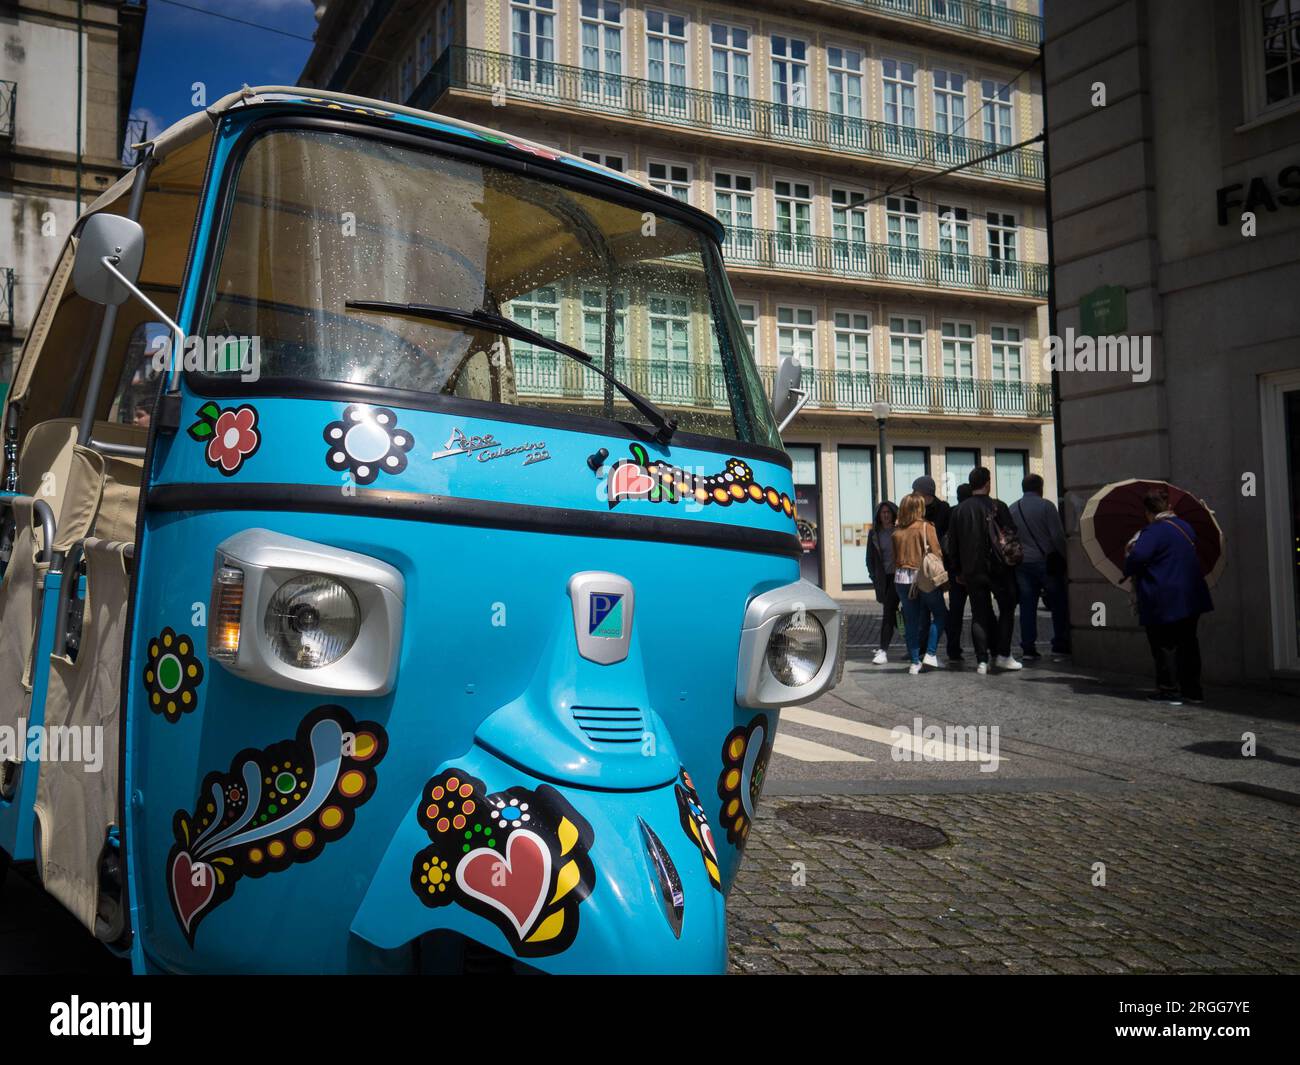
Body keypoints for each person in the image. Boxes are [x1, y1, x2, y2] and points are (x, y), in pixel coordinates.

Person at [1123, 486, 1213, 706]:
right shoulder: (1185, 527)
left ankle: (1169, 690)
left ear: (1147, 511)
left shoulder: (1153, 531)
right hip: (1190, 595)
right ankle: (1192, 690)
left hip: (1163, 596)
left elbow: (1137, 558)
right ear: (1169, 506)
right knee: (1188, 642)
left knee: (1165, 644)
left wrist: (1130, 553)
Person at [949, 466, 1022, 674]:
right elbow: (1011, 535)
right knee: (1007, 609)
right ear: (988, 483)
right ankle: (1003, 654)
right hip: (999, 569)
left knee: (979, 614)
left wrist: (957, 570)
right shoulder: (999, 506)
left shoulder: (960, 510)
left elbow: (951, 544)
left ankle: (981, 660)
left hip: (972, 571)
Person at [1010, 473, 1070, 660]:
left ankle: (1028, 647)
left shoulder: (1014, 508)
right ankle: (1059, 643)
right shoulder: (1046, 506)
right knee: (1058, 604)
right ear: (1040, 487)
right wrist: (1065, 557)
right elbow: (1058, 536)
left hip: (1022, 564)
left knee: (1027, 607)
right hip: (1046, 563)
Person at [892, 492, 948, 675]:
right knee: (941, 614)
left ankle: (914, 662)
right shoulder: (926, 527)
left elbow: (894, 559)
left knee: (911, 621)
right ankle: (930, 653)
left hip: (901, 578)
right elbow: (937, 552)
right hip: (923, 577)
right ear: (919, 508)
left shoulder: (897, 532)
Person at [911, 475, 950, 656]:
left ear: (926, 493)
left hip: (935, 567)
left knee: (939, 613)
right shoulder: (914, 511)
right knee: (924, 614)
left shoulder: (943, 510)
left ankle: (931, 652)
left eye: (916, 491)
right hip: (919, 569)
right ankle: (923, 651)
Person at [865, 500, 900, 664]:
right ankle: (908, 645)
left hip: (900, 577)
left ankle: (884, 650)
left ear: (893, 514)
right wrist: (874, 577)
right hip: (883, 579)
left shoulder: (900, 531)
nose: (885, 515)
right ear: (879, 515)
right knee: (892, 613)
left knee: (890, 613)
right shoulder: (874, 534)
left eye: (888, 512)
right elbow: (869, 559)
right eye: (883, 513)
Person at [944, 482, 972, 660]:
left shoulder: (952, 512)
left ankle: (953, 648)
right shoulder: (974, 510)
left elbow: (948, 545)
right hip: (974, 569)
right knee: (982, 611)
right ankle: (986, 649)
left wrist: (954, 569)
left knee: (955, 612)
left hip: (955, 571)